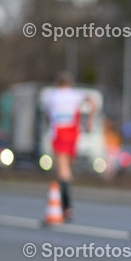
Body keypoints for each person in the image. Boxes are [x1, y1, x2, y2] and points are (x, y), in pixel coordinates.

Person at [43, 72, 95, 220]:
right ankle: (66, 204)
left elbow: (47, 115)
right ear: (70, 83)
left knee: (62, 171)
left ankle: (66, 206)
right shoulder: (75, 95)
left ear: (57, 83)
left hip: (59, 134)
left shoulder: (53, 96)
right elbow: (93, 100)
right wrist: (90, 120)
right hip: (72, 135)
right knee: (67, 170)